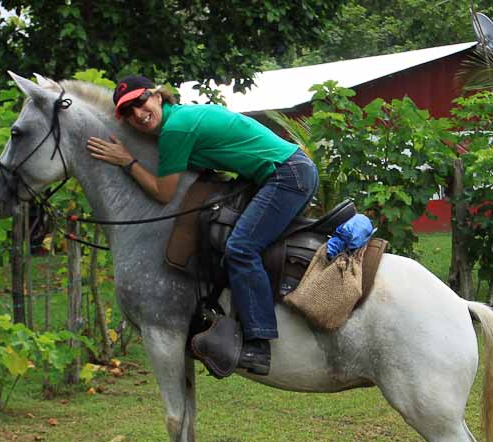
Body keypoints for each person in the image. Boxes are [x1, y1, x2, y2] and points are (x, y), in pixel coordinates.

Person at [87, 75, 319, 376]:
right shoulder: (180, 119)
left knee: (241, 248)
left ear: (157, 96)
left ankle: (259, 344)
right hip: (281, 173)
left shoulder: (176, 128)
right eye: (128, 112)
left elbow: (164, 192)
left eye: (140, 102)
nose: (138, 114)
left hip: (287, 176)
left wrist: (127, 161)